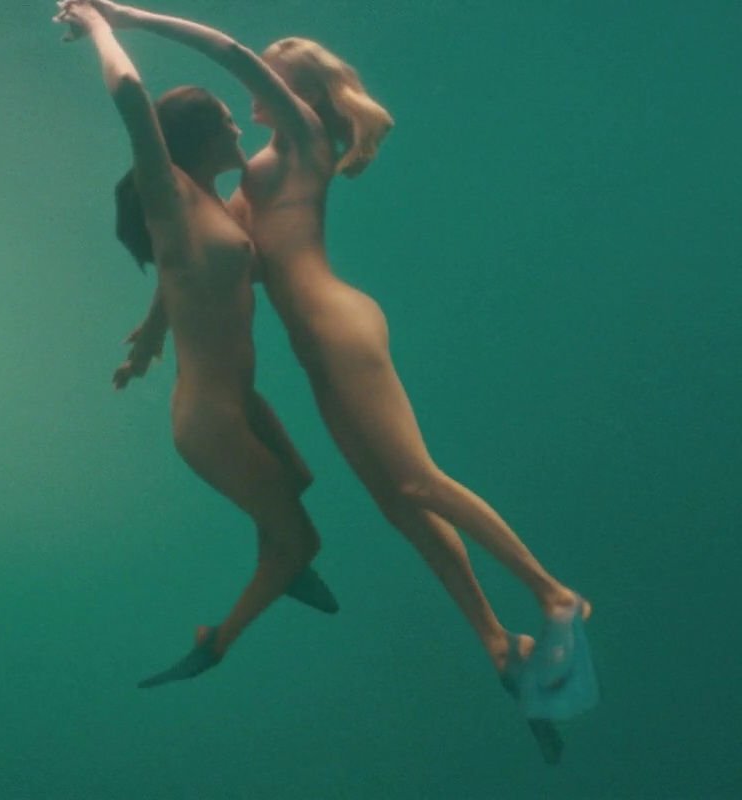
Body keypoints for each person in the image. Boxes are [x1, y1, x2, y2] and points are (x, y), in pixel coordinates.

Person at [85, 0, 600, 740]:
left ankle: (552, 595)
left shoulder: (302, 138)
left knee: (418, 481)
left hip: (340, 328)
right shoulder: (244, 183)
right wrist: (150, 333)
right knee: (399, 503)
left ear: (296, 91)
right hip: (317, 347)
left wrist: (122, 17)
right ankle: (494, 640)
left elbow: (227, 50)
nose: (246, 96)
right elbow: (191, 260)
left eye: (269, 74)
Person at [54, 0, 340, 689]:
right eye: (225, 120)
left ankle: (278, 563)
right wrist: (99, 25)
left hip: (239, 398)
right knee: (303, 538)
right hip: (209, 421)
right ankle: (216, 641)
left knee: (298, 482)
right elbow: (131, 95)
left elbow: (180, 275)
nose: (238, 126)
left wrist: (148, 341)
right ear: (199, 138)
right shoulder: (171, 192)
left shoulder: (212, 204)